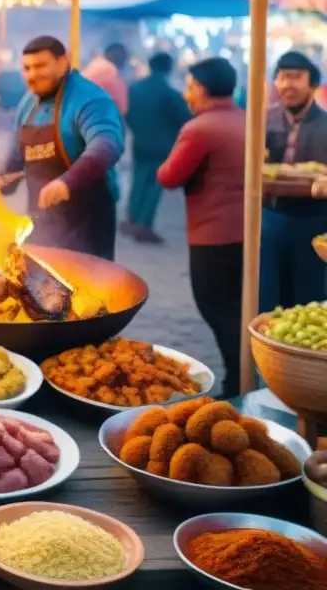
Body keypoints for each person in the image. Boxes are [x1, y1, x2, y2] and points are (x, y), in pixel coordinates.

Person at [157, 57, 244, 397]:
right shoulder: (247, 120)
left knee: (216, 308)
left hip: (213, 233)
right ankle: (243, 377)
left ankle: (237, 383)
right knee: (237, 308)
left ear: (203, 89)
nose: (186, 94)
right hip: (248, 233)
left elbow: (169, 176)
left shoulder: (199, 128)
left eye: (190, 86)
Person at [1, 36, 125, 260]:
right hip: (40, 222)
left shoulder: (90, 99)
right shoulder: (28, 103)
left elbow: (106, 145)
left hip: (87, 220)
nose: (32, 75)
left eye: (40, 66)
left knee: (85, 281)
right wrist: (3, 177)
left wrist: (66, 182)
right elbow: (19, 152)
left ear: (62, 62)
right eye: (27, 68)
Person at [261, 51, 327, 311]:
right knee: (268, 293)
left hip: (313, 219)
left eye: (296, 77)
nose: (288, 84)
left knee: (308, 295)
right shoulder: (263, 122)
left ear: (313, 83)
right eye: (283, 77)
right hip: (271, 216)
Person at [123, 52, 192, 243]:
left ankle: (132, 218)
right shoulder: (170, 94)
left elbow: (128, 114)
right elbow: (185, 119)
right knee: (154, 186)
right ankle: (144, 224)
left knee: (138, 182)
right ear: (169, 68)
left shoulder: (134, 90)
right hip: (162, 147)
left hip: (140, 142)